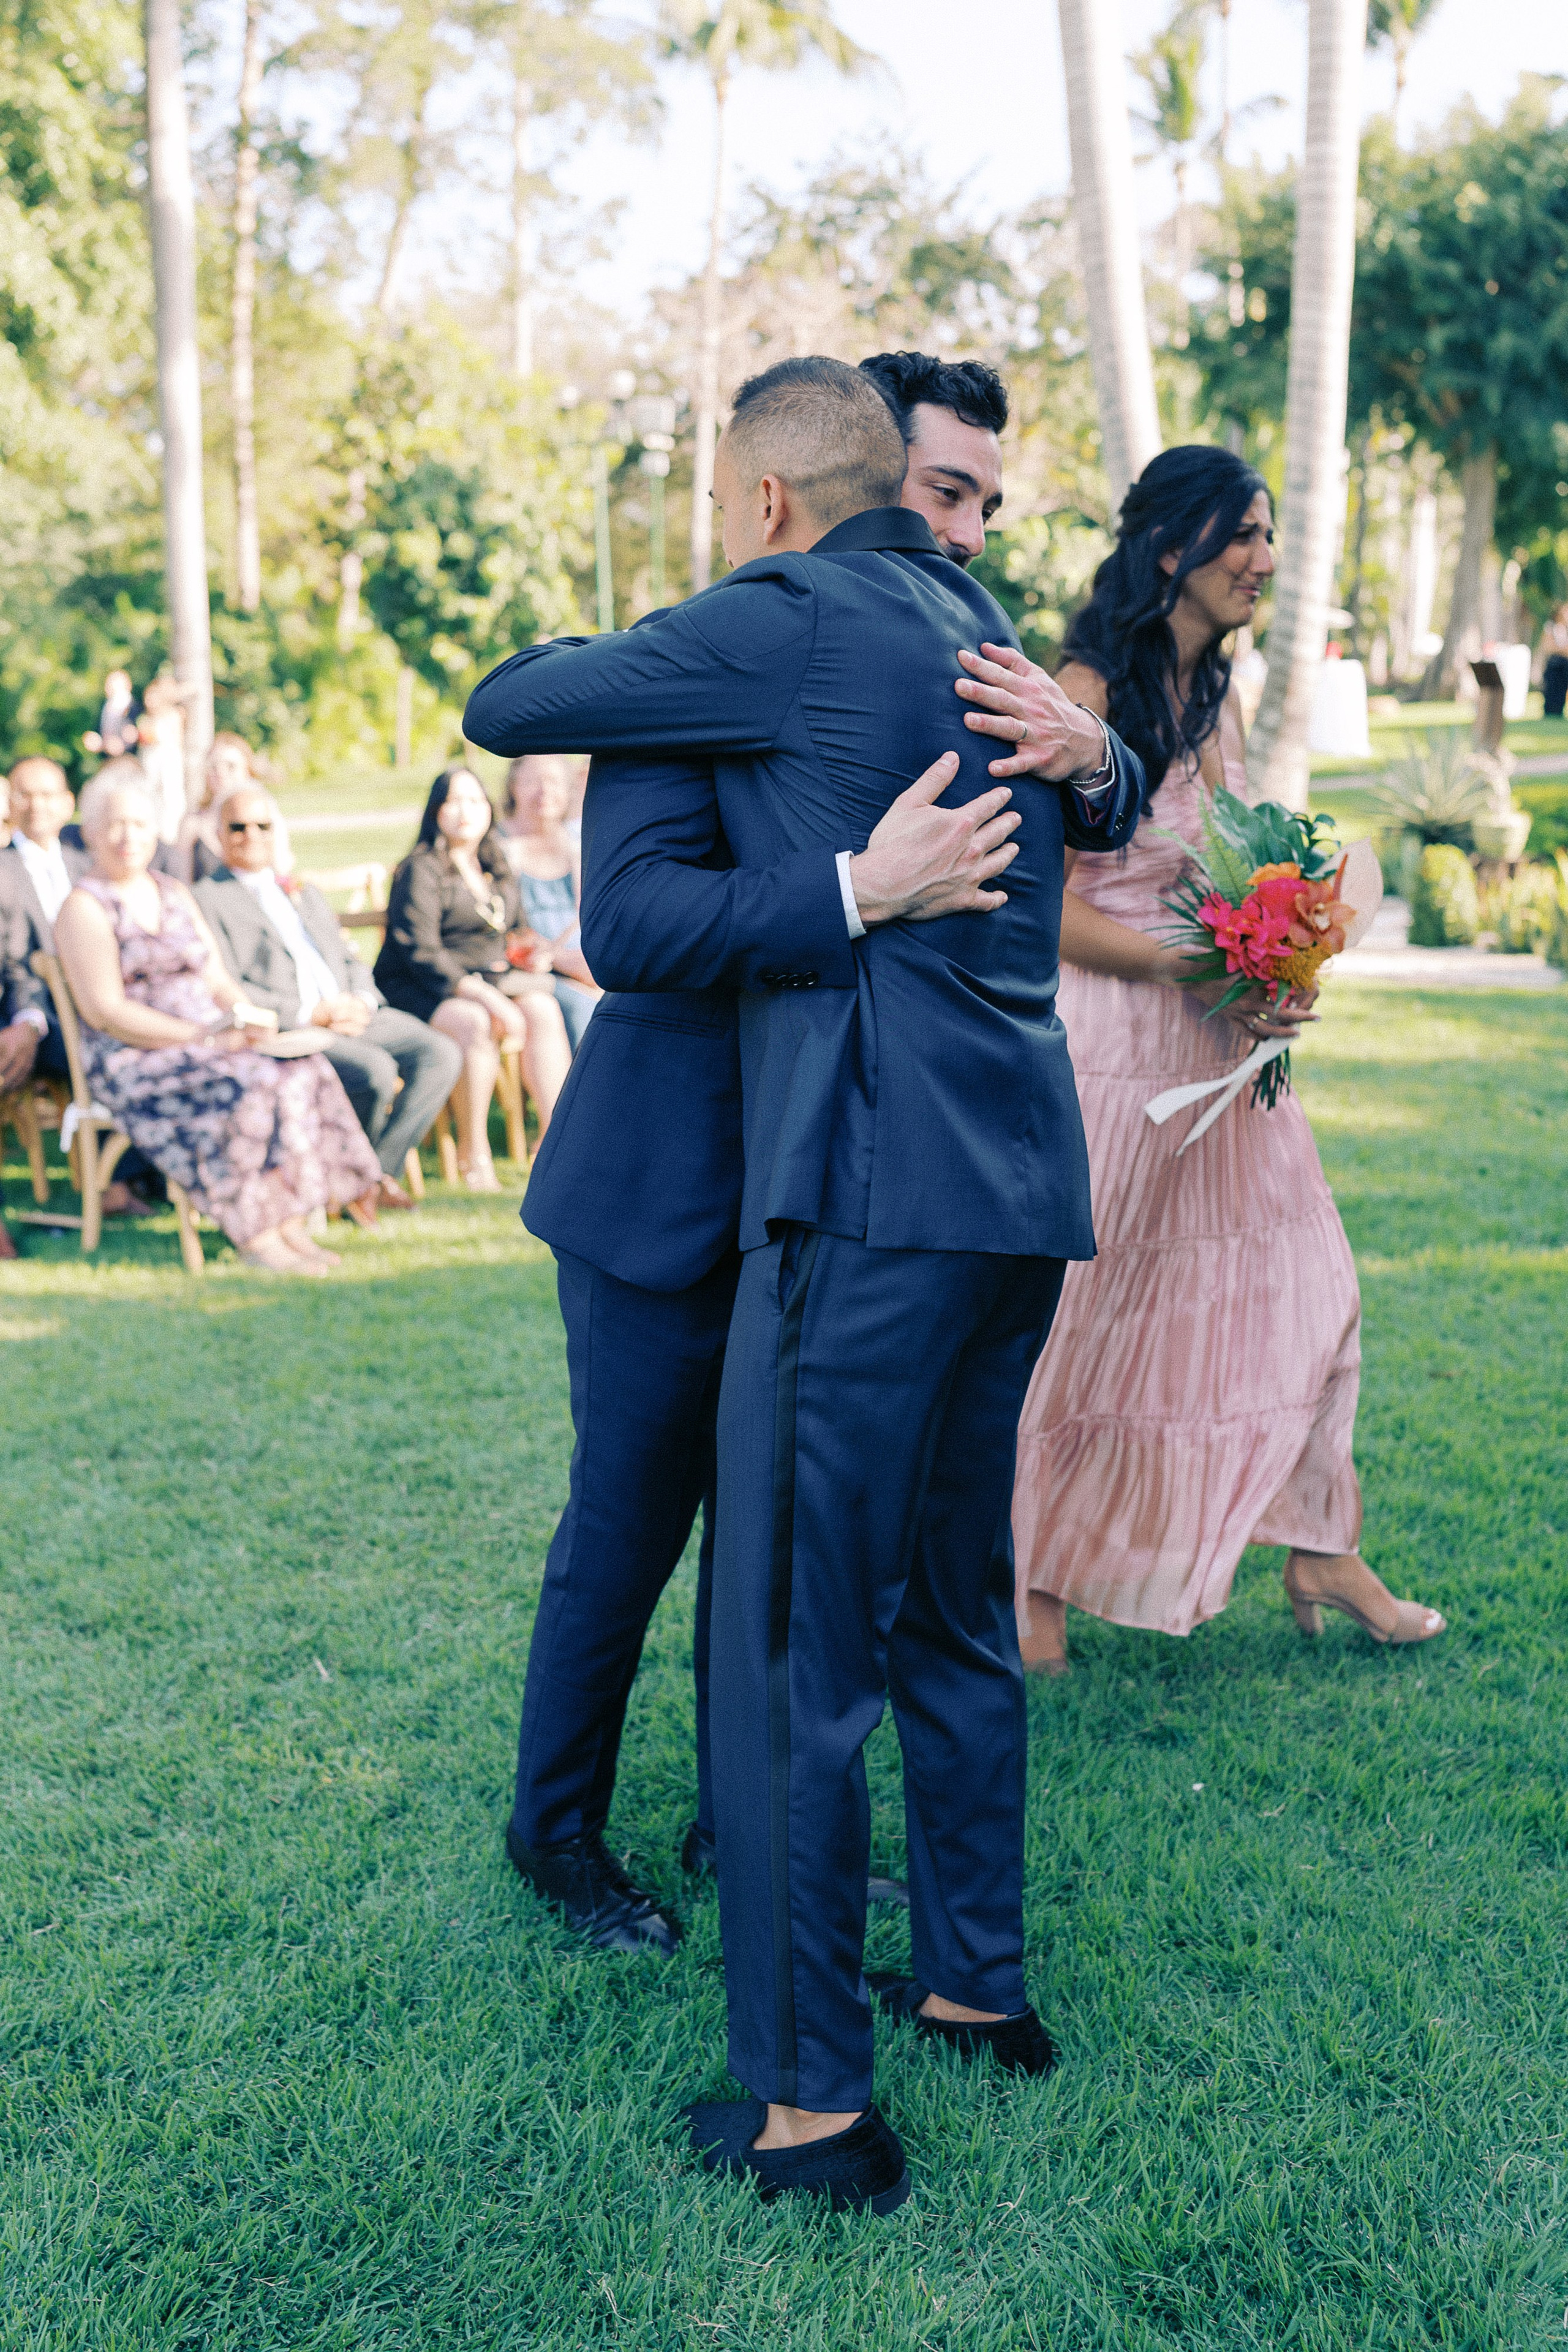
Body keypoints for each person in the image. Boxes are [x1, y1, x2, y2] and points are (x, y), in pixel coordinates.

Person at [466, 356, 1142, 2215]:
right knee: (945, 1604)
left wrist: (849, 869)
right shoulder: (974, 617)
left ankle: (808, 2114)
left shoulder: (780, 611)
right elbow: (646, 898)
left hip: (862, 1191)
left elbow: (503, 696)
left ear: (763, 502)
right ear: (900, 485)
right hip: (1010, 1183)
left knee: (782, 1641)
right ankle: (971, 1981)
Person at [492, 352, 1034, 1975]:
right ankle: (556, 1834)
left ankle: (748, 1822)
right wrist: (856, 889)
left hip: (840, 1186)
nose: (955, 537)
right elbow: (633, 929)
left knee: (783, 1540)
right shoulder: (683, 669)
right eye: (941, 495)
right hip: (670, 1184)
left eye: (971, 507)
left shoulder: (942, 656)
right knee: (631, 1524)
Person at [1006, 445, 1447, 1672]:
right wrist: (1184, 969)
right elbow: (1032, 906)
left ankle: (1317, 1541)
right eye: (1242, 536)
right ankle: (1028, 1576)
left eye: (1265, 532)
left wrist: (1270, 968)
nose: (1263, 558)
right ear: (1169, 553)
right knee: (1083, 1314)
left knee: (1309, 1292)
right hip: (1108, 1047)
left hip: (1223, 1054)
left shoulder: (1221, 692)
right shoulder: (1081, 686)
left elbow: (1232, 869)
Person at [54, 770, 382, 1275]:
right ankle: (256, 1233)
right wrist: (204, 1036)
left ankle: (289, 1216)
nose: (129, 837)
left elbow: (217, 976)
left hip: (209, 1040)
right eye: (115, 825)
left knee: (302, 1067)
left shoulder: (172, 891)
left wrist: (245, 1019)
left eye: (140, 825)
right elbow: (106, 1011)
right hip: (135, 1058)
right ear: (92, 832)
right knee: (251, 1082)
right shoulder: (84, 907)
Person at [195, 782, 461, 1223]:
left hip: (350, 1012)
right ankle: (359, 1183)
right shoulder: (207, 899)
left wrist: (359, 1000)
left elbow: (347, 956)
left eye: (263, 825)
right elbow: (226, 984)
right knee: (375, 1072)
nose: (252, 836)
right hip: (289, 1027)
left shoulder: (302, 889)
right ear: (219, 835)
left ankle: (370, 1177)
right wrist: (310, 1013)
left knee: (441, 1052)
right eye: (238, 827)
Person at [373, 767, 571, 1189]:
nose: (466, 812)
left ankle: (557, 1142)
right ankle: (474, 1152)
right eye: (454, 801)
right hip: (424, 985)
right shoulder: (421, 869)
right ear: (437, 810)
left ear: (489, 809)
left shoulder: (494, 863)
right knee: (473, 1022)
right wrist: (485, 996)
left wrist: (530, 950)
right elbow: (420, 952)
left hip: (492, 980)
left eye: (476, 801)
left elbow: (516, 927)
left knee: (543, 1008)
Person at [0, 755, 156, 1220]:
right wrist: (28, 1022)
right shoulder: (3, 872)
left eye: (48, 794)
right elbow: (14, 965)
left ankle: (150, 1173)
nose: (37, 805)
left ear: (68, 803)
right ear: (10, 802)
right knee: (107, 1051)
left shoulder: (89, 857)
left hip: (111, 998)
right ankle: (113, 1183)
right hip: (46, 1017)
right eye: (25, 794)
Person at [496, 756, 601, 1050]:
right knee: (590, 1013)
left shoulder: (577, 840)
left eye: (554, 781)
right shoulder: (499, 847)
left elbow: (592, 912)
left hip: (585, 963)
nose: (544, 791)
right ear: (513, 787)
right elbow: (507, 929)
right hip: (534, 968)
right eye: (532, 782)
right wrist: (564, 962)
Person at [82, 669, 140, 760]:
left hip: (130, 760)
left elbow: (135, 734)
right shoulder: (104, 706)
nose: (110, 686)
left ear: (128, 685)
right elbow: (98, 731)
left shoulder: (134, 708)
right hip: (108, 759)